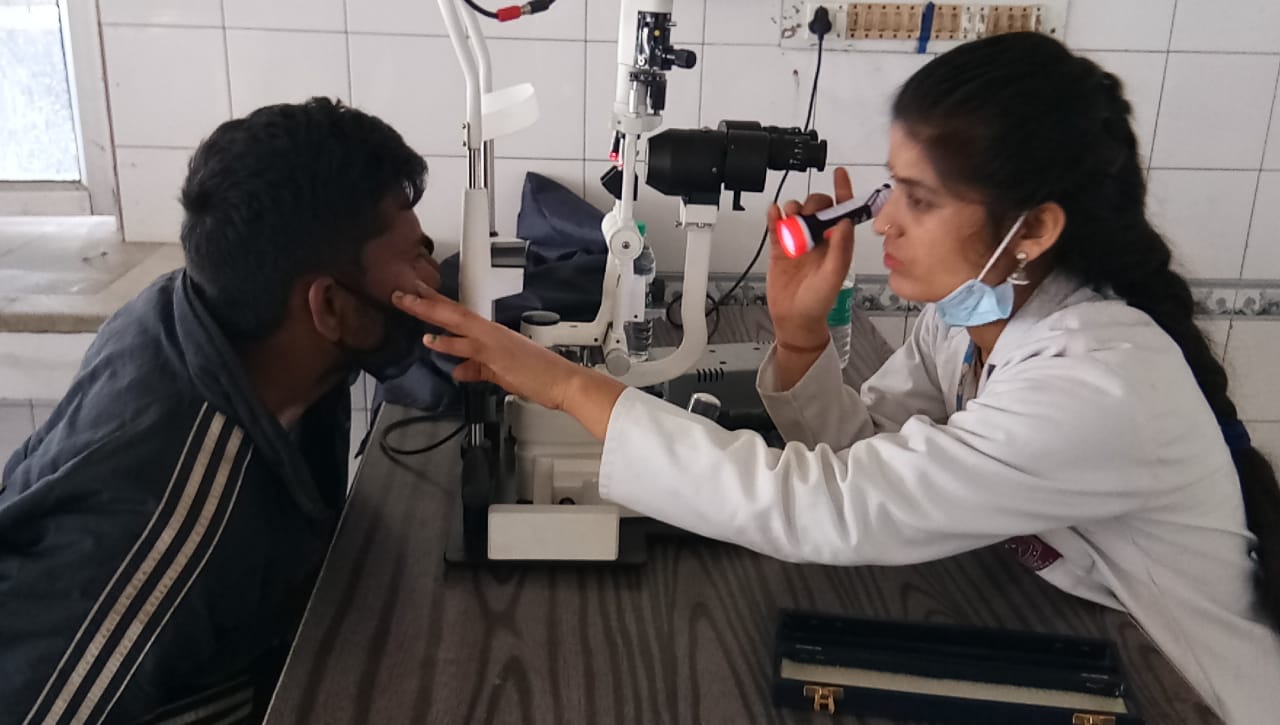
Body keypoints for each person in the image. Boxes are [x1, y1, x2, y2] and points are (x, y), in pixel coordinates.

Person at [390, 33, 1280, 723]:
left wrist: (564, 386)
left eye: (920, 200)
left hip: (1190, 691)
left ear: (1035, 229)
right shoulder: (966, 319)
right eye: (893, 189)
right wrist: (800, 333)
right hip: (1086, 640)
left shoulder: (1098, 384)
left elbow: (830, 506)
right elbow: (863, 455)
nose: (884, 222)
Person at [0, 98, 440, 723]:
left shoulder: (211, 318)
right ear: (328, 307)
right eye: (416, 258)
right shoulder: (170, 518)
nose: (432, 276)